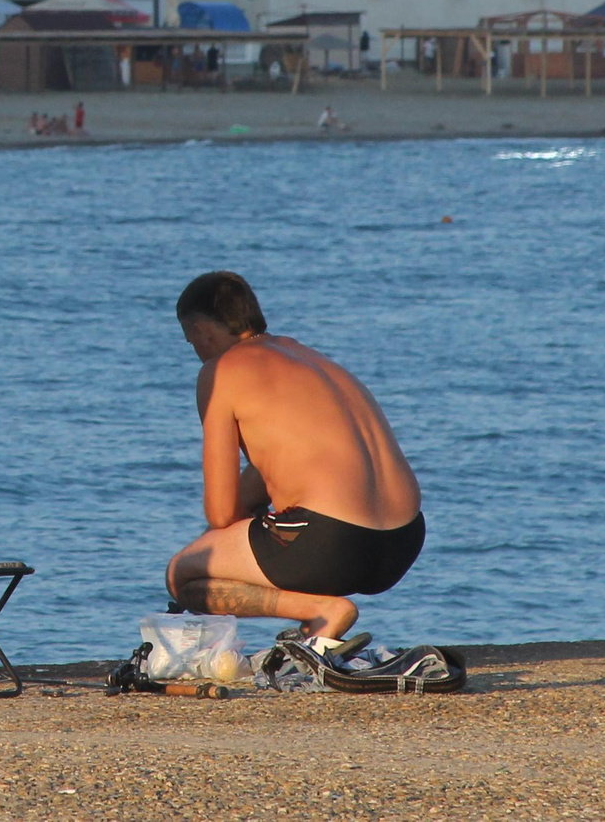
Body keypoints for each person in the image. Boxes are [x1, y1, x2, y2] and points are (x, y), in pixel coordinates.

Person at [165, 271, 421, 647]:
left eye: (191, 342)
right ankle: (319, 619)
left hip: (330, 543)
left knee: (182, 574)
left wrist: (221, 541)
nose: (196, 351)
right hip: (403, 541)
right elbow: (270, 472)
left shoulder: (220, 371)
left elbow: (220, 514)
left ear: (201, 330)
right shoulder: (310, 358)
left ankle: (321, 611)